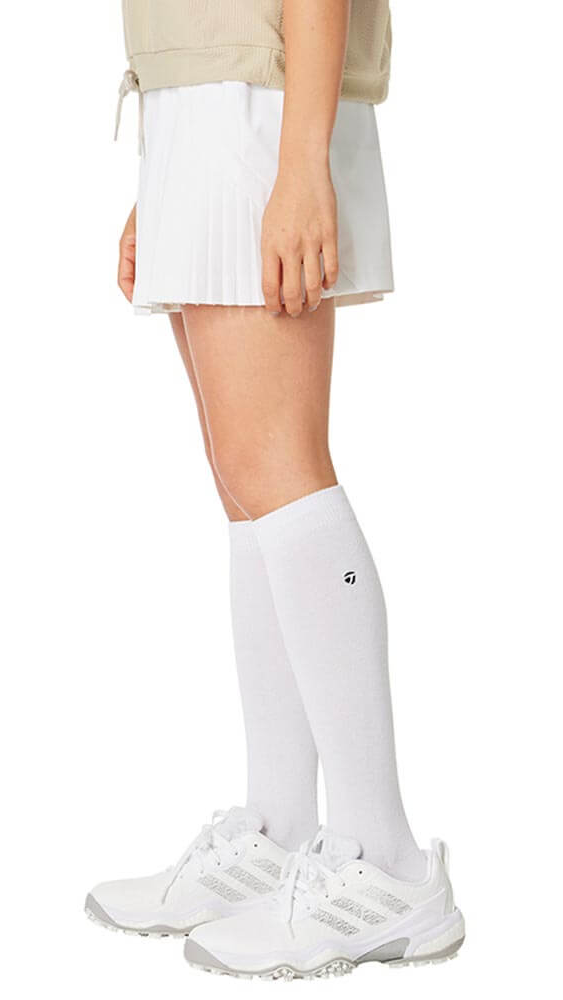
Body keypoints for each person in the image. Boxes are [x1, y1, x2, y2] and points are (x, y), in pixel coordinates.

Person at [85, 1, 464, 978]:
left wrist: (299, 164)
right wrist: (164, 166)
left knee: (278, 470)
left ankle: (385, 859)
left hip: (258, 106)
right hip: (204, 105)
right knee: (246, 487)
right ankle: (278, 831)